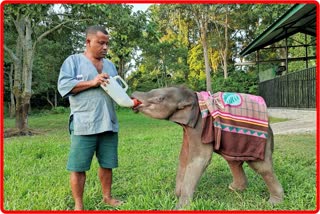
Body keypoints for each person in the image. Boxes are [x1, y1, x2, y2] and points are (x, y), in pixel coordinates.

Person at [58, 25, 123, 210]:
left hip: (108, 122)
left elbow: (117, 90)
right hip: (84, 122)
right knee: (78, 167)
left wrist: (129, 102)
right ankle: (79, 205)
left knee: (107, 163)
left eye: (107, 44)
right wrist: (92, 82)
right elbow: (64, 87)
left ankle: (107, 197)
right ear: (88, 41)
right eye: (101, 43)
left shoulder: (110, 65)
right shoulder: (73, 61)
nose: (105, 47)